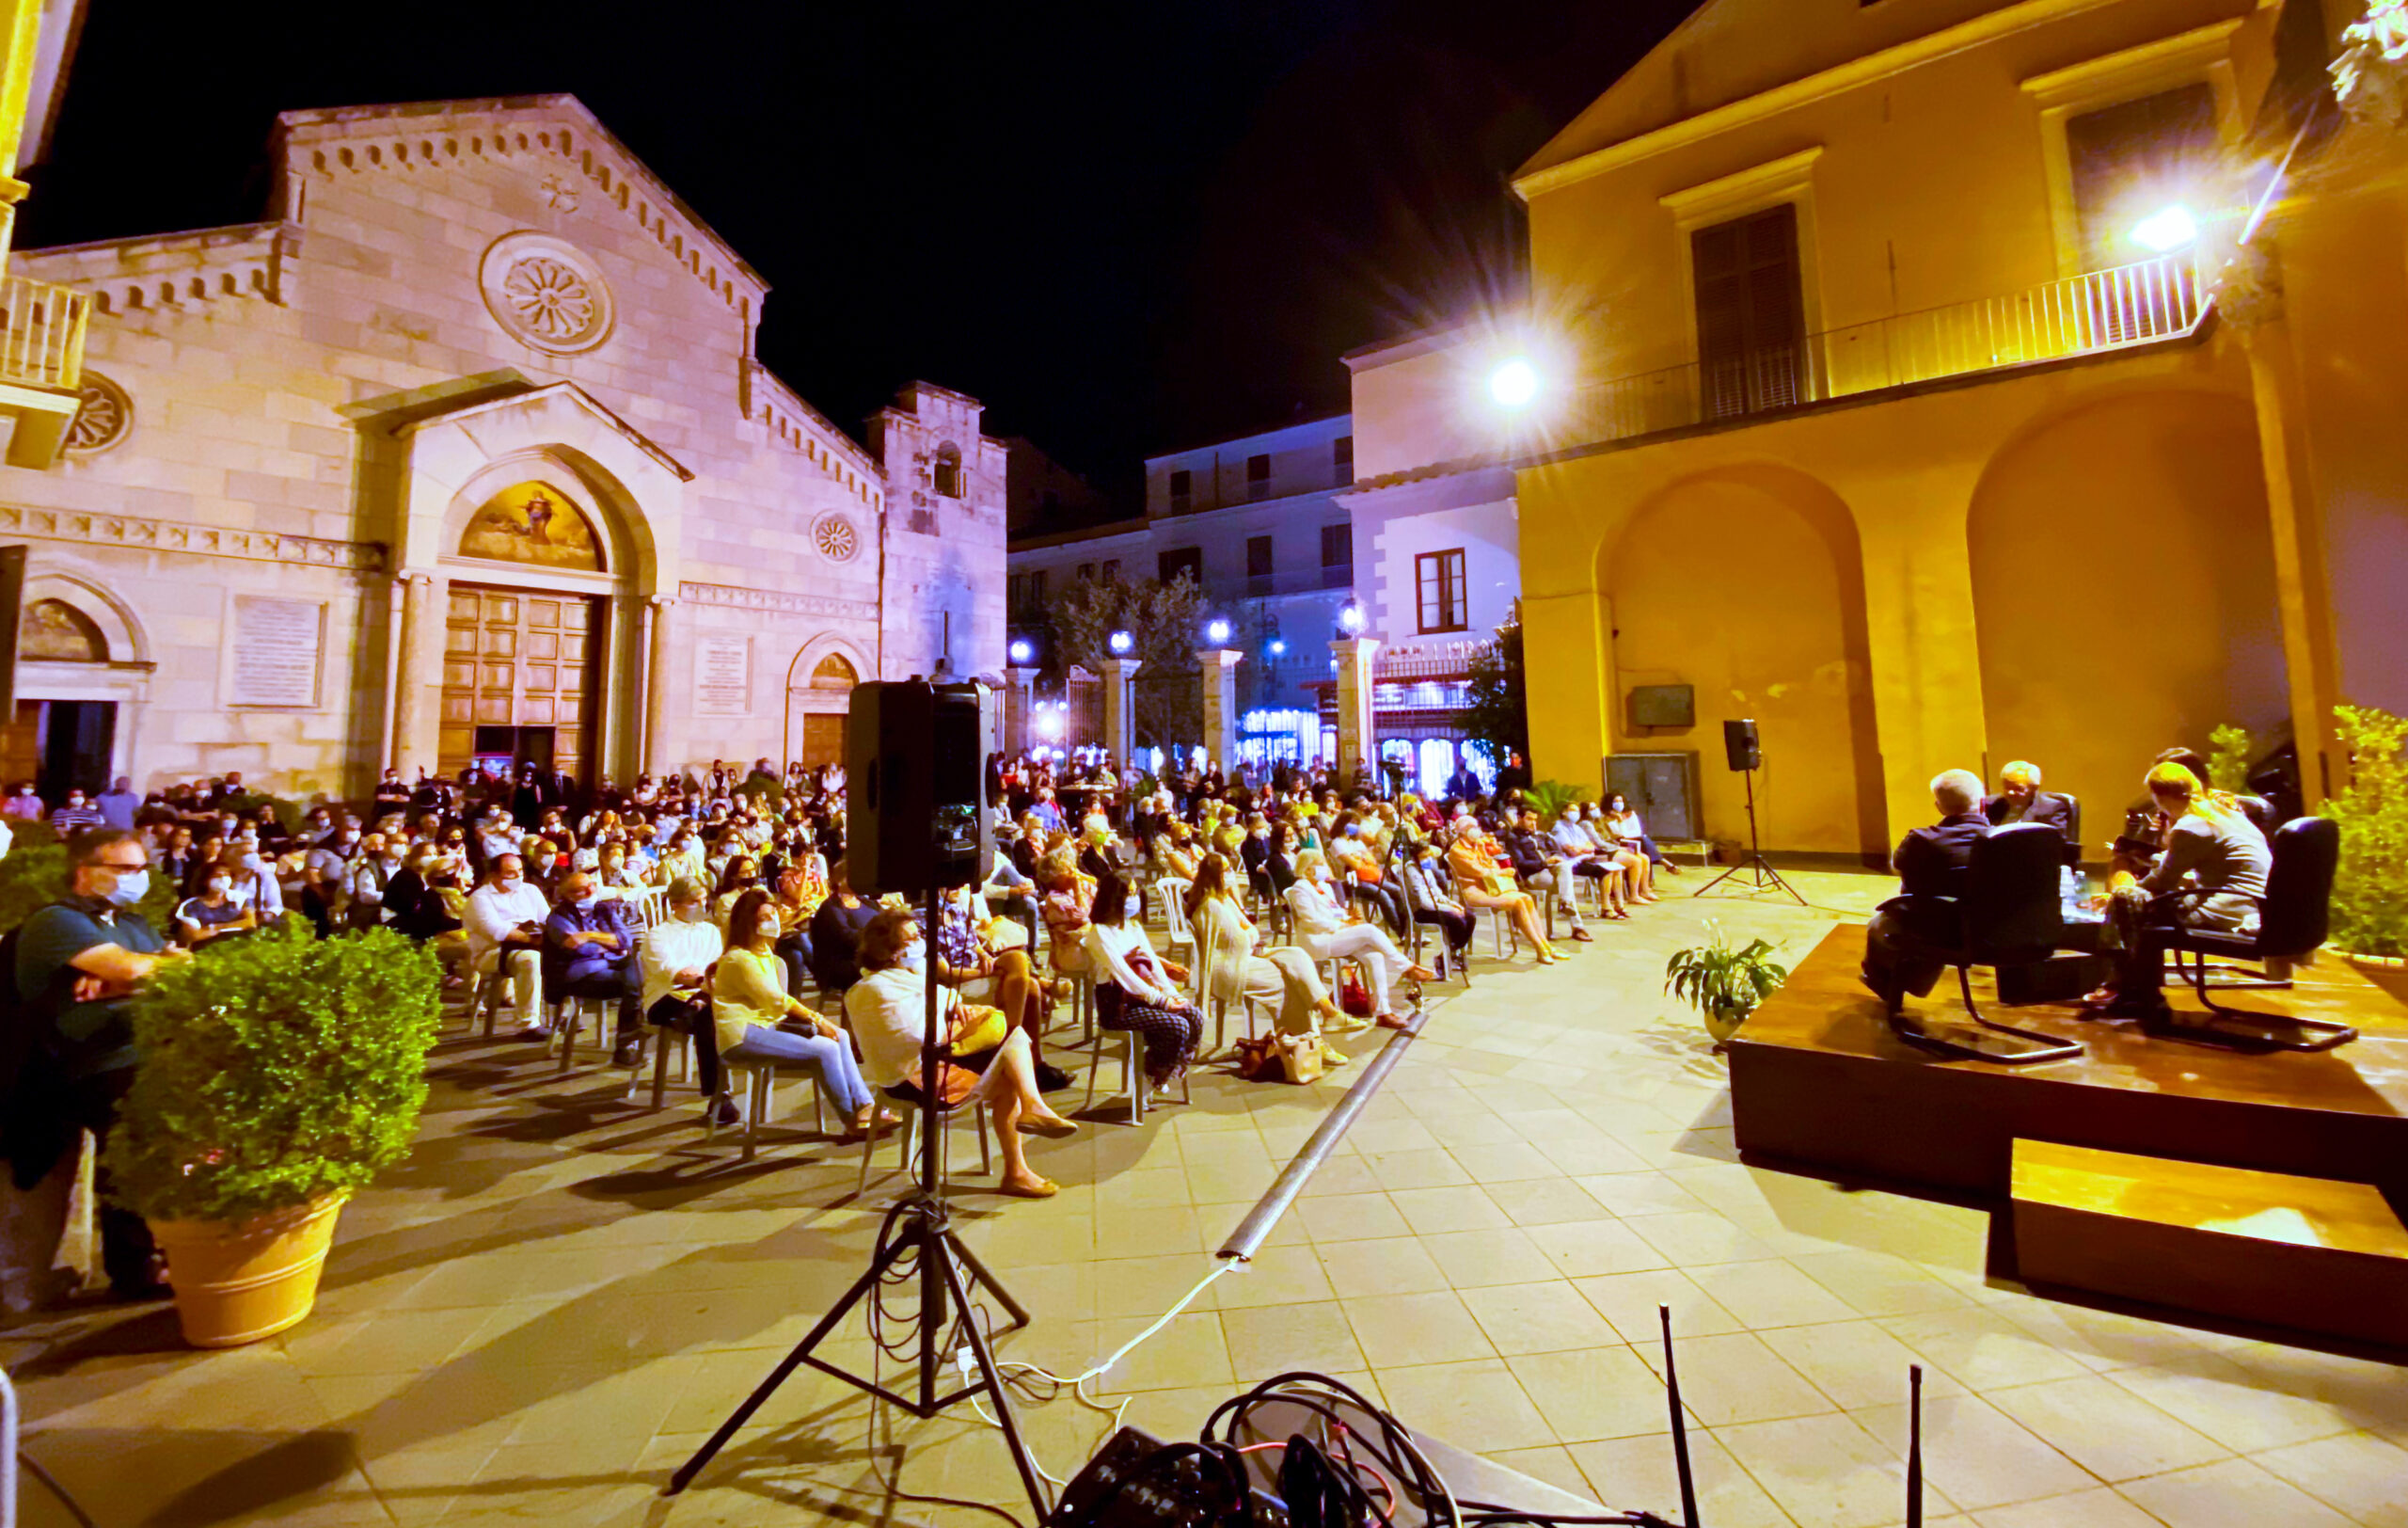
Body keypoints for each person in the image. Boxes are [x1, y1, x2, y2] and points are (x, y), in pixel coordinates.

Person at [10, 828, 189, 1297]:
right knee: (133, 1156)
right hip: (93, 1064)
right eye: (125, 868)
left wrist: (118, 980)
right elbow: (134, 967)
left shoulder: (130, 924)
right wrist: (134, 973)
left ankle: (167, 1252)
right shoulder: (56, 921)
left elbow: (169, 968)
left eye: (141, 868)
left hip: (151, 1054)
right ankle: (136, 1267)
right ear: (85, 871)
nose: (137, 877)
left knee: (169, 1151)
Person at [847, 908, 1075, 1199]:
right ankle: (1026, 1136)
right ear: (891, 951)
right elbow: (916, 1037)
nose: (919, 942)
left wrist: (956, 1008)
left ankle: (1024, 1147)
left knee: (1011, 1053)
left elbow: (942, 996)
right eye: (911, 938)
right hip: (912, 1079)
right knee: (1013, 1045)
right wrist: (956, 1024)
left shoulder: (902, 976)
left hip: (927, 1062)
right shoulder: (875, 990)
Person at [2085, 762, 2272, 1019]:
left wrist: (2113, 898)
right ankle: (2128, 987)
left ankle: (2132, 990)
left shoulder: (2192, 824)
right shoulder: (2227, 814)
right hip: (2255, 906)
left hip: (2227, 910)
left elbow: (2163, 882)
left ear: (2158, 796)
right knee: (2135, 902)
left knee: (2127, 899)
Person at [709, 888, 889, 1138]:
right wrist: (818, 1020)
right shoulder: (739, 959)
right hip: (741, 1034)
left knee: (841, 1036)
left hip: (766, 1026)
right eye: (764, 918)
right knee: (825, 1049)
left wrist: (823, 1024)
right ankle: (851, 1121)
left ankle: (866, 1106)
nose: (772, 921)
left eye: (773, 915)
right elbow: (776, 1000)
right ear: (748, 923)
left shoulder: (764, 953)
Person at [1185, 854, 1353, 1059]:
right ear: (1214, 876)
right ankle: (1309, 1042)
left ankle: (1328, 1012)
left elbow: (1248, 931)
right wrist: (1248, 931)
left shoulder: (1225, 900)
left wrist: (1248, 931)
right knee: (1287, 982)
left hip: (1245, 956)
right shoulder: (1211, 906)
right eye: (1226, 870)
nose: (1231, 874)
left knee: (1296, 954)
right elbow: (1242, 939)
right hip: (1228, 966)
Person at [1860, 770, 1990, 1009]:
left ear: (1939, 807)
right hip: (1996, 930)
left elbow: (1899, 865)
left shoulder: (1923, 839)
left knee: (1880, 923)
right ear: (1982, 802)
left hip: (1943, 931)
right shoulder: (2008, 839)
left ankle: (1889, 985)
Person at [1081, 871, 1206, 1088]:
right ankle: (1150, 1075)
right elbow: (1124, 974)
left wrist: (1172, 993)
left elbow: (1152, 962)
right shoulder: (1099, 933)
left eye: (1134, 893)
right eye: (1129, 894)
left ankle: (1169, 1066)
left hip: (1143, 997)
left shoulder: (1132, 926)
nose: (1134, 898)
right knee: (1177, 1026)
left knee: (1194, 1016)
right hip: (1118, 1006)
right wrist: (1162, 1001)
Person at [1284, 859, 1434, 1027]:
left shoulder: (1324, 887)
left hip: (1337, 934)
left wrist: (1348, 917)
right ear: (1308, 870)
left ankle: (1383, 1013)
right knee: (1369, 930)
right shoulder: (1300, 889)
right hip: (1319, 939)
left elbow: (1334, 912)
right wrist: (1343, 924)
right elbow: (1310, 921)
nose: (1325, 869)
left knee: (1375, 957)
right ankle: (1407, 967)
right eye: (1320, 865)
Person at [638, 876, 733, 1121]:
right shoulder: (658, 935)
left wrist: (704, 981)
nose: (702, 906)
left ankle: (720, 1097)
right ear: (675, 904)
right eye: (694, 901)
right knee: (711, 1016)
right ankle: (720, 1095)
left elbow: (716, 967)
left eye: (704, 900)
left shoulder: (711, 931)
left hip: (704, 994)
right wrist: (702, 981)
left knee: (711, 1015)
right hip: (664, 999)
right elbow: (677, 974)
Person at [546, 869, 646, 1063]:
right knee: (634, 982)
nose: (591, 891)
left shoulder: (603, 909)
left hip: (611, 964)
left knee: (635, 971)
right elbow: (580, 950)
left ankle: (627, 1041)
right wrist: (611, 945)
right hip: (578, 974)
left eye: (592, 885)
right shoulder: (558, 917)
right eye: (582, 889)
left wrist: (589, 935)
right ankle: (627, 1043)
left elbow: (625, 940)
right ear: (569, 896)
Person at [1445, 815, 1560, 964]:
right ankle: (1539, 948)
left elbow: (1491, 863)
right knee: (1518, 903)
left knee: (1527, 898)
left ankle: (1546, 945)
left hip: (1491, 886)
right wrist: (1501, 872)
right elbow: (1479, 872)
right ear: (1461, 831)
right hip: (1475, 891)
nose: (1476, 830)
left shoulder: (1478, 845)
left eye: (1476, 827)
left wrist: (1494, 854)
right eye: (1471, 828)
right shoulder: (1457, 850)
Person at [467, 852, 552, 1039]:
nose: (517, 876)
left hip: (532, 943)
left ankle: (566, 1015)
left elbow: (548, 919)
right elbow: (496, 931)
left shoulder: (530, 891)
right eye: (510, 873)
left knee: (568, 952)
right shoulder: (480, 898)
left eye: (520, 871)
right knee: (530, 958)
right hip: (492, 952)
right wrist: (531, 940)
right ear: (495, 875)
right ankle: (528, 1025)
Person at [1398, 838, 1475, 972]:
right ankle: (1446, 957)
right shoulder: (1411, 872)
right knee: (1457, 921)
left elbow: (1436, 891)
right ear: (1415, 858)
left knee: (1470, 916)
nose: (1428, 859)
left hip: (1436, 904)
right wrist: (1450, 909)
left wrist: (1452, 904)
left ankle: (1450, 952)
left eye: (1428, 855)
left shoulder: (1426, 868)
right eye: (1424, 857)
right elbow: (1425, 903)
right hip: (1422, 910)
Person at [806, 859, 879, 992]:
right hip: (842, 963)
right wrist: (878, 938)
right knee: (884, 969)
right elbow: (846, 938)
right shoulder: (830, 908)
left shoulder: (868, 902)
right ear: (840, 880)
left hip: (871, 952)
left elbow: (885, 921)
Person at [1982, 760, 2077, 841]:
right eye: (2007, 787)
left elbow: (2057, 843)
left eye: (2018, 788)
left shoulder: (2051, 808)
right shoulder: (1991, 804)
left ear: (2034, 788)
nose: (2010, 793)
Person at [173, 867, 258, 946]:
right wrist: (236, 925)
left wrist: (215, 928)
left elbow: (250, 922)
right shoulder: (191, 906)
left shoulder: (240, 898)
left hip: (238, 944)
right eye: (217, 876)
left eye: (226, 875)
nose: (223, 879)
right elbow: (194, 935)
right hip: (206, 948)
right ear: (205, 880)